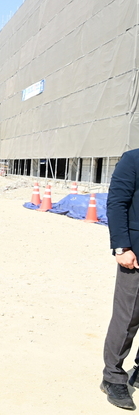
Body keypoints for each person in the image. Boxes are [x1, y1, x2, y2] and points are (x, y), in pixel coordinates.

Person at [102, 148, 139, 410]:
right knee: (128, 316)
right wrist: (121, 247)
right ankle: (113, 377)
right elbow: (116, 202)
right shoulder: (133, 159)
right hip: (135, 253)